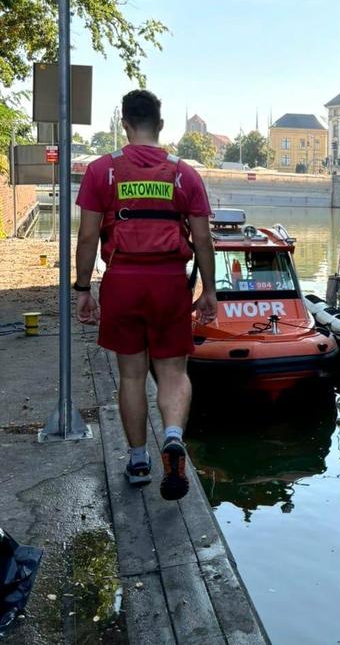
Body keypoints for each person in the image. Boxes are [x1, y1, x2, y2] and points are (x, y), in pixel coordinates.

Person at [74, 90, 217, 501]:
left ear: (124, 124)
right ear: (161, 124)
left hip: (122, 281)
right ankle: (172, 437)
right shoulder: (184, 174)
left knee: (132, 375)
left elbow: (86, 237)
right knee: (173, 373)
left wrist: (84, 289)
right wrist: (209, 290)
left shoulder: (103, 171)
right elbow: (203, 239)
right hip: (170, 281)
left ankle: (138, 459)